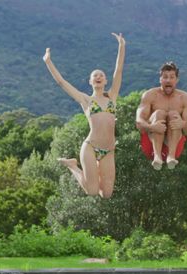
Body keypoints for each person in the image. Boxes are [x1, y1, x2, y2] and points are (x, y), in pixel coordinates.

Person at [43, 33, 125, 198]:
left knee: (106, 194)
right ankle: (73, 166)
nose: (98, 77)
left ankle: (95, 169)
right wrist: (48, 62)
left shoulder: (112, 97)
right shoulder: (85, 100)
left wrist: (122, 46)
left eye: (101, 75)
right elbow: (62, 82)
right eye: (95, 75)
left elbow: (119, 70)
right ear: (90, 82)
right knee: (93, 192)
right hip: (91, 147)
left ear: (106, 81)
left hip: (108, 149)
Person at [136, 62, 187, 170]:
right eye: (165, 77)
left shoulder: (185, 98)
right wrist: (151, 127)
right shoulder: (150, 95)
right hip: (151, 142)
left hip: (174, 144)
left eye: (172, 77)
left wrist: (183, 124)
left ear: (177, 80)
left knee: (174, 114)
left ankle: (171, 157)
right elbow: (138, 122)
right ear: (160, 79)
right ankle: (157, 157)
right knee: (159, 113)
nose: (168, 80)